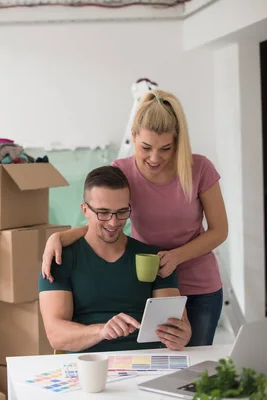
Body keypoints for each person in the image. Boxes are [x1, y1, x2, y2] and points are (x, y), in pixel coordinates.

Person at [41, 89, 228, 347]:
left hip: (198, 286)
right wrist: (59, 237)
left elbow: (219, 231)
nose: (154, 158)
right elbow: (101, 216)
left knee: (193, 365)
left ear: (178, 142)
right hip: (149, 280)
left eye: (165, 149)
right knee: (156, 357)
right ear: (133, 137)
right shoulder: (122, 171)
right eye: (145, 148)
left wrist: (176, 256)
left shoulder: (200, 169)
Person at [38, 166, 191, 353]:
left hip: (148, 361)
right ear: (85, 210)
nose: (113, 222)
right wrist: (102, 331)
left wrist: (181, 335)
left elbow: (176, 324)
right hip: (89, 366)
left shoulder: (154, 258)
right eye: (103, 212)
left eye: (121, 212)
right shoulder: (60, 258)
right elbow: (56, 336)